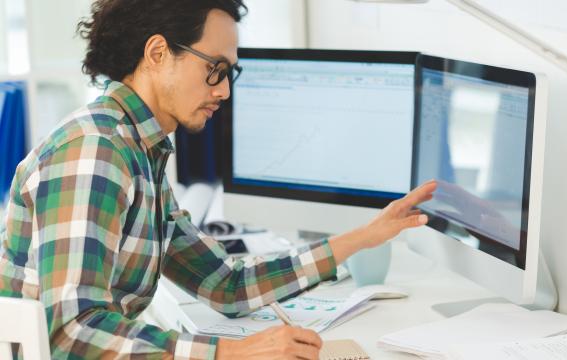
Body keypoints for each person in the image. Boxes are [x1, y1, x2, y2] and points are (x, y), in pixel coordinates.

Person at [0, 0, 437, 358]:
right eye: (215, 67)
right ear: (157, 54)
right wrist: (231, 353)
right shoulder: (97, 151)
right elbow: (71, 332)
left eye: (230, 73)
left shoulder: (140, 150)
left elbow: (225, 285)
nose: (225, 90)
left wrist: (365, 235)